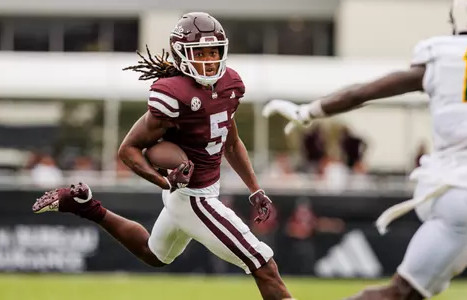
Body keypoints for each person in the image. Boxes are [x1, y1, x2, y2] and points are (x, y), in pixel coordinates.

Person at [32, 12, 293, 300]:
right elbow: (128, 150)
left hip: (196, 193)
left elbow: (231, 143)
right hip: (192, 197)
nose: (209, 61)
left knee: (154, 254)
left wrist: (255, 188)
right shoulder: (173, 94)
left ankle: (85, 205)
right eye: (200, 53)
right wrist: (165, 182)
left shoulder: (230, 84)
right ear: (182, 55)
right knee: (264, 265)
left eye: (213, 52)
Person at [263, 1, 467, 299]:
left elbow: (364, 92)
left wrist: (309, 111)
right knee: (400, 293)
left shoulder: (441, 55)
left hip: (443, 187)